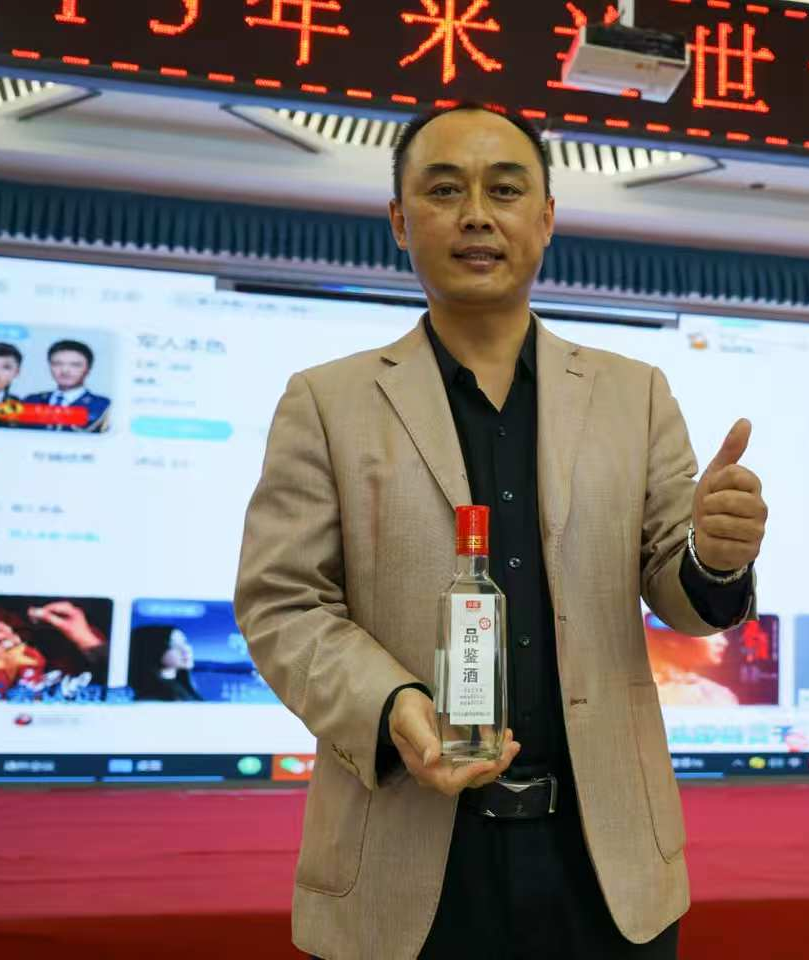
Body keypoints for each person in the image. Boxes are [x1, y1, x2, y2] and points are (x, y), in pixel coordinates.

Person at [234, 103, 767, 960]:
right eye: (445, 190)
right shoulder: (326, 402)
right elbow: (283, 605)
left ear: (545, 218)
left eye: (505, 190)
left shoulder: (634, 395)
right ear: (400, 221)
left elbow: (679, 588)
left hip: (605, 869)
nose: (477, 214)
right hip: (407, 862)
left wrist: (715, 555)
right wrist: (393, 708)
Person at [645, 618, 739, 707]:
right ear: (672, 639)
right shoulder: (649, 688)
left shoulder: (718, 695)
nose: (723, 642)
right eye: (711, 633)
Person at [23, 339, 111, 432]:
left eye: (75, 365)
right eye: (57, 364)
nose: (65, 370)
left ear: (88, 369)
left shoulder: (103, 406)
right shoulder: (31, 401)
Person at [127, 625, 203, 701]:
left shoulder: (183, 687)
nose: (186, 650)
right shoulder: (151, 698)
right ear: (152, 650)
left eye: (185, 642)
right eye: (173, 645)